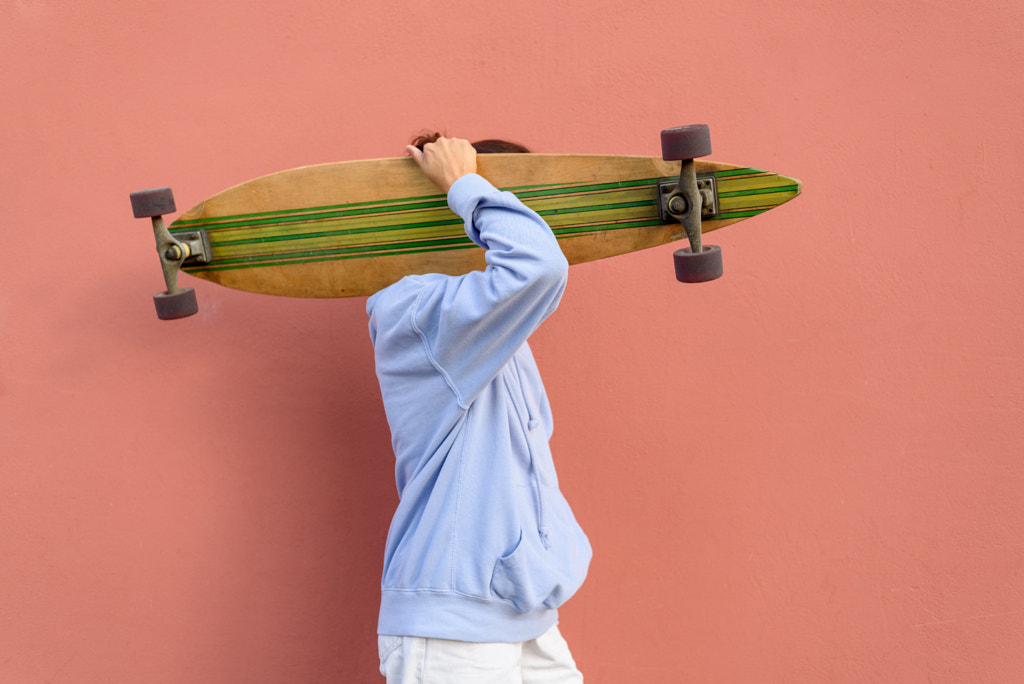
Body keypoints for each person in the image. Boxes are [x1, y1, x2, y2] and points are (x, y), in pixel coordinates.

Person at [366, 135, 592, 683]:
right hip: (452, 628)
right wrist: (464, 184)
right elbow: (539, 265)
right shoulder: (419, 317)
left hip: (523, 614)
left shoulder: (491, 329)